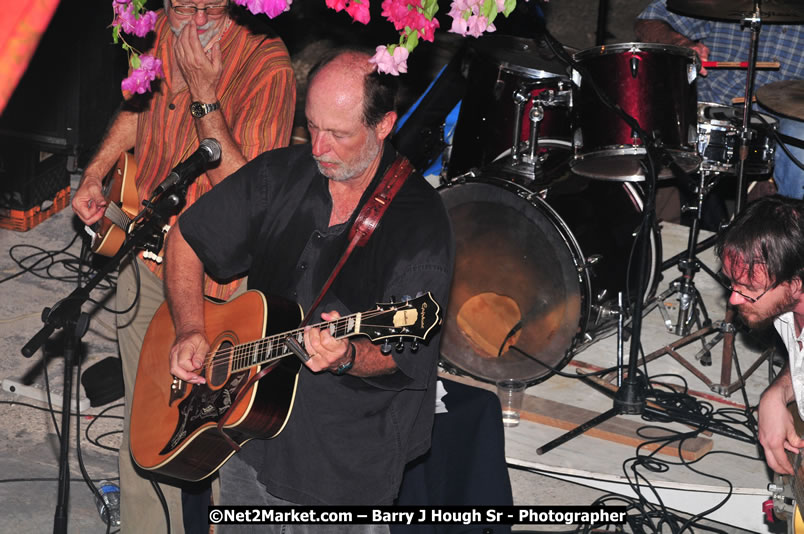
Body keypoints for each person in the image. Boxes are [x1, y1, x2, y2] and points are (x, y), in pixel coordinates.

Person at [164, 48, 454, 531]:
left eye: (338, 134)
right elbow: (186, 238)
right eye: (312, 125)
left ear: (384, 126)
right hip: (244, 430)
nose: (318, 147)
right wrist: (191, 327)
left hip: (341, 461)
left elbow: (403, 353)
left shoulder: (420, 226)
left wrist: (346, 356)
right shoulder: (280, 173)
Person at [70, 1, 295, 532]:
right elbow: (137, 107)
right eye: (180, 3)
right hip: (142, 257)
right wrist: (96, 172)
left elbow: (251, 199)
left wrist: (204, 95)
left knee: (210, 438)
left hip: (214, 282)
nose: (193, 15)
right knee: (144, 432)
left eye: (207, 4)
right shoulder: (157, 31)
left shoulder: (268, 65)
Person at [635, 0, 804, 199]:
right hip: (709, 106)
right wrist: (681, 44)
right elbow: (648, 21)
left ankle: (786, 221)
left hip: (784, 121)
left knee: (799, 140)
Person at [715, 196, 804, 474]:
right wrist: (777, 393)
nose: (734, 299)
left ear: (796, 285)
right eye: (731, 281)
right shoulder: (786, 308)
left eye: (749, 287)